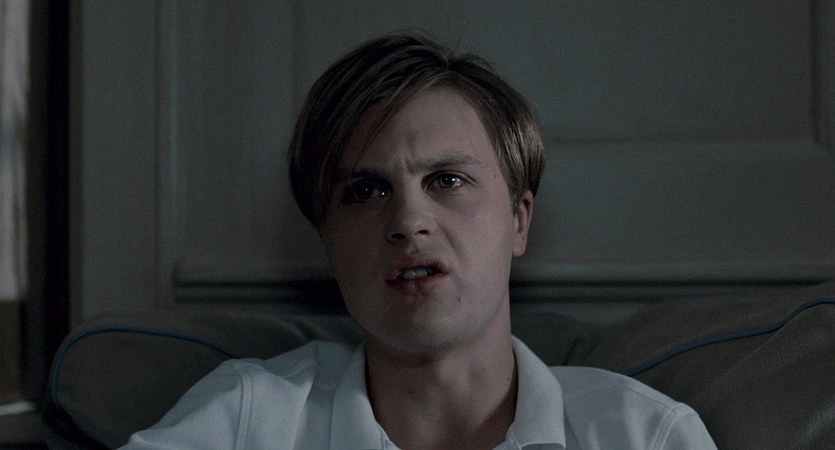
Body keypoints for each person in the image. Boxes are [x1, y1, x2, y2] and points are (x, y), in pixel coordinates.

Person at [121, 33, 716, 449]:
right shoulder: (247, 420)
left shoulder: (643, 435)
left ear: (518, 220)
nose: (408, 220)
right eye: (365, 191)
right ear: (327, 240)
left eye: (447, 181)